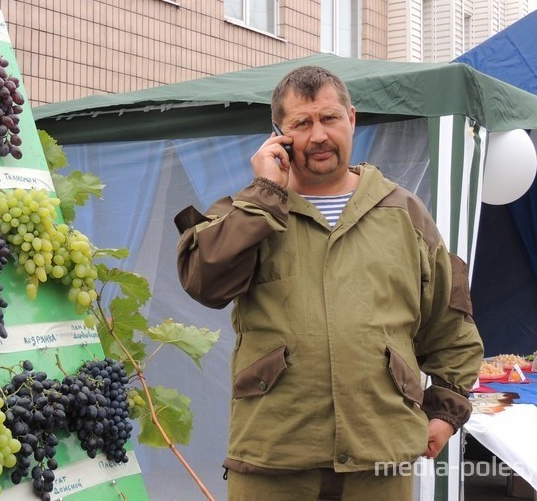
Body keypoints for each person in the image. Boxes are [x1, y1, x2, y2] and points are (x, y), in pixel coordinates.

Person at [174, 66, 483, 501]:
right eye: (301, 123)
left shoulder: (405, 214)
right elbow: (202, 282)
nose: (318, 135)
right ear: (278, 135)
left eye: (329, 118)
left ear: (351, 118)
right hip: (274, 456)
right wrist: (266, 193)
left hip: (381, 454)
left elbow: (450, 322)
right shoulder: (252, 210)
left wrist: (446, 411)